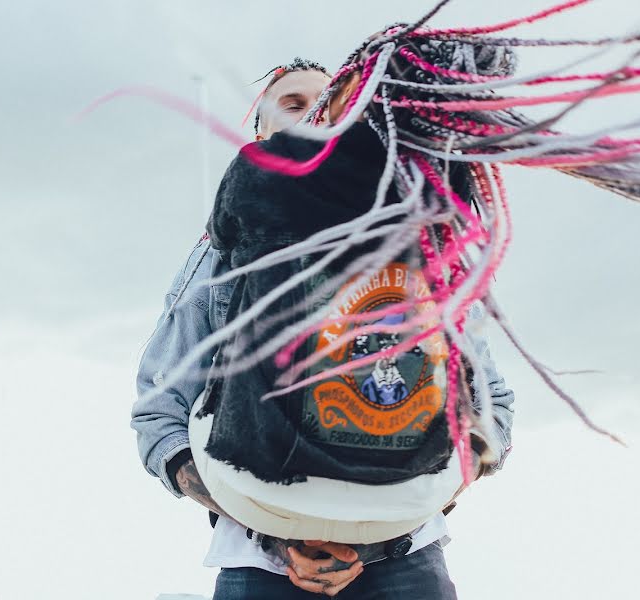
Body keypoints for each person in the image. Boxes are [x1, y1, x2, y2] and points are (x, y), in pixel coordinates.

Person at [132, 56, 515, 599]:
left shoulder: (425, 250)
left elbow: (490, 401)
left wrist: (378, 529)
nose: (315, 114)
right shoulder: (220, 260)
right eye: (293, 104)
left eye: (334, 105)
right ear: (260, 135)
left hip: (405, 560)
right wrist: (281, 530)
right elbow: (160, 412)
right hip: (260, 568)